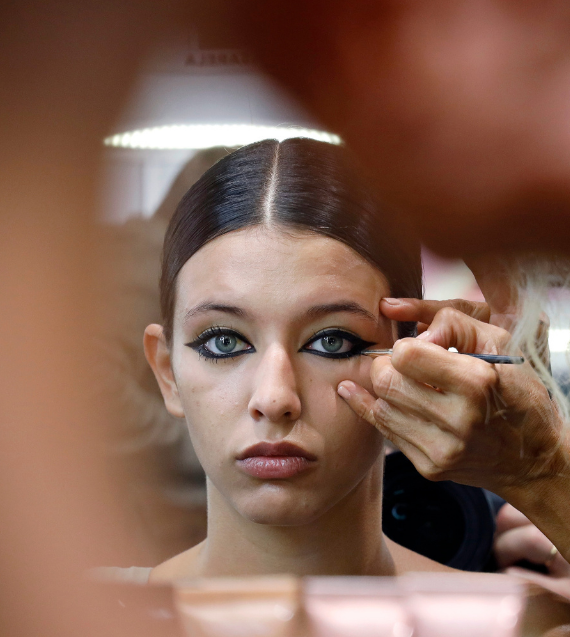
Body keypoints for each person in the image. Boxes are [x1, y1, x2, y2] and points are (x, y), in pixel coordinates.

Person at [141, 137, 535, 580]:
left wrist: (544, 473)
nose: (275, 399)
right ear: (166, 373)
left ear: (421, 364)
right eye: (224, 342)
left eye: (331, 341)